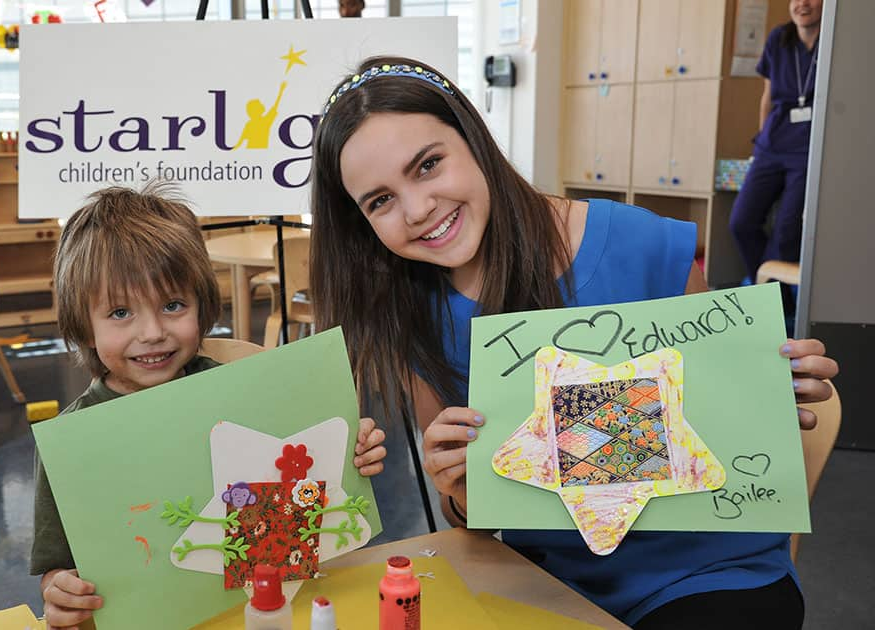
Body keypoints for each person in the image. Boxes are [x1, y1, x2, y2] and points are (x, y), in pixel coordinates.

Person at [309, 56, 839, 629]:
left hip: (704, 570)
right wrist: (460, 490)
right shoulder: (406, 312)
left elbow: (728, 416)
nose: (417, 210)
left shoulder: (640, 244)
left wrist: (772, 392)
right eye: (380, 201)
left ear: (475, 140)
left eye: (429, 165)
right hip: (544, 580)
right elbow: (476, 522)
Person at [32, 184, 388, 629]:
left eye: (173, 305)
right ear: (83, 325)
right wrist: (59, 589)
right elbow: (55, 567)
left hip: (263, 609)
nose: (153, 332)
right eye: (121, 313)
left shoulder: (238, 388)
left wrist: (353, 453)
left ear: (202, 307)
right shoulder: (72, 440)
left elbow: (301, 479)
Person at [729, 0, 822, 293]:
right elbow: (767, 97)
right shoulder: (778, 39)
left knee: (786, 232)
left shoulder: (835, 43)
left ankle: (776, 301)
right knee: (741, 222)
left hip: (808, 152)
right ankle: (772, 294)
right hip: (772, 146)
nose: (802, 4)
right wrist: (760, 144)